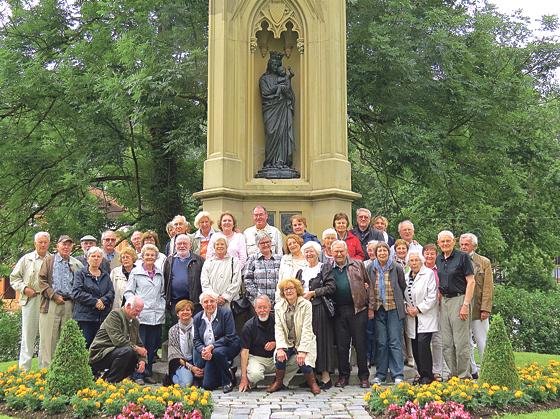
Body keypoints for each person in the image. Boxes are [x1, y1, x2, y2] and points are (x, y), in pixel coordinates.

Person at [331, 240, 374, 388]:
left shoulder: (358, 264)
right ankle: (343, 376)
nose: (339, 254)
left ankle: (364, 376)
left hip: (358, 309)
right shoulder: (329, 268)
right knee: (342, 346)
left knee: (360, 344)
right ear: (331, 253)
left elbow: (370, 287)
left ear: (346, 251)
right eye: (336, 251)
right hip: (338, 311)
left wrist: (371, 308)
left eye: (341, 251)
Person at [266, 278, 320, 394]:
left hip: (302, 340)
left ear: (297, 290)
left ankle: (312, 383)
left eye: (291, 288)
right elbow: (279, 328)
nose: (289, 291)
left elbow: (307, 329)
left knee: (303, 360)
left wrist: (303, 350)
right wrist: (280, 347)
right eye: (286, 289)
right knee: (280, 357)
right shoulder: (278, 307)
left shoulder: (306, 305)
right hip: (287, 341)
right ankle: (278, 382)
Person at [38, 235, 84, 368]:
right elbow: (42, 281)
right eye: (63, 244)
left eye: (69, 245)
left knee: (66, 338)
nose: (66, 247)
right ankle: (47, 370)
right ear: (57, 246)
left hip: (69, 304)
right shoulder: (49, 261)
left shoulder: (75, 263)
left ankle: (63, 369)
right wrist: (53, 295)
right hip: (52, 303)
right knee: (49, 338)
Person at [124, 243, 166, 384]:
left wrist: (162, 305)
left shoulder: (160, 272)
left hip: (156, 315)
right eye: (147, 254)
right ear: (142, 256)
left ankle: (148, 372)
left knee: (152, 346)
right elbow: (128, 292)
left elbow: (162, 293)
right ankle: (138, 375)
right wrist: (134, 305)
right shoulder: (135, 273)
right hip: (140, 315)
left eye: (152, 255)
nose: (149, 257)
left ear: (156, 257)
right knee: (140, 345)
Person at [436, 230, 475, 379]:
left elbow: (471, 282)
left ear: (453, 242)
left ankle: (464, 376)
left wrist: (465, 305)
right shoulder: (439, 259)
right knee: (446, 343)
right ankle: (453, 375)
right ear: (438, 243)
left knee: (461, 343)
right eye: (442, 241)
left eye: (448, 241)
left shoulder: (463, 257)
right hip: (444, 301)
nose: (445, 244)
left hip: (459, 300)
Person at [10, 231, 51, 370]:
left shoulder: (53, 259)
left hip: (48, 300)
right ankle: (24, 371)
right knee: (28, 335)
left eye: (45, 242)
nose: (43, 245)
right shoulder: (26, 259)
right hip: (30, 299)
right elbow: (14, 278)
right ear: (35, 243)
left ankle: (44, 370)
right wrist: (24, 288)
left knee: (46, 336)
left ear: (49, 243)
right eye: (40, 242)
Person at [300, 241, 336, 389]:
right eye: (306, 252)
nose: (309, 254)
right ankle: (311, 377)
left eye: (311, 251)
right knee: (308, 341)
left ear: (317, 252)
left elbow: (331, 287)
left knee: (322, 341)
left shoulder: (324, 268)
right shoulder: (301, 271)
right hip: (305, 310)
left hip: (319, 308)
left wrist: (314, 293)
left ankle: (326, 377)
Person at [370, 241, 407, 385]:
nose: (382, 253)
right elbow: (368, 287)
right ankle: (381, 374)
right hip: (378, 309)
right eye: (379, 251)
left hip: (393, 309)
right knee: (381, 342)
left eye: (384, 251)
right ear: (375, 253)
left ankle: (398, 374)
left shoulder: (396, 267)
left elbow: (402, 286)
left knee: (395, 342)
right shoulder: (370, 268)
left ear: (389, 252)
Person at [89, 296, 147, 383]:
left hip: (116, 352)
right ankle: (110, 382)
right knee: (128, 351)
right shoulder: (115, 315)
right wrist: (137, 349)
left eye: (140, 311)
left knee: (133, 357)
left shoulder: (135, 322)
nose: (138, 314)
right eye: (137, 311)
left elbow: (139, 344)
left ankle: (108, 380)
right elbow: (118, 340)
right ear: (128, 306)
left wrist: (142, 360)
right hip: (100, 354)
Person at [257, 51, 297, 177]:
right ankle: (270, 161)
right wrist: (279, 87)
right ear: (269, 64)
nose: (275, 66)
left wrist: (286, 90)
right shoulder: (264, 79)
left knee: (283, 134)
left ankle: (282, 161)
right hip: (271, 109)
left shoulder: (283, 77)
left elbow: (290, 95)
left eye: (277, 64)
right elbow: (265, 92)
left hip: (283, 109)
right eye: (273, 64)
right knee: (271, 132)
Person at [460, 233, 493, 379]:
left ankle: (487, 369)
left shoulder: (484, 262)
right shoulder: (457, 260)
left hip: (478, 308)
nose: (463, 247)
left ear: (474, 245)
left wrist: (486, 308)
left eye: (466, 244)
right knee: (465, 342)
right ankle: (473, 371)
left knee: (482, 340)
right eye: (461, 245)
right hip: (462, 308)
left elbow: (488, 287)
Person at [193, 291, 241, 392]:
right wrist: (203, 350)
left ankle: (227, 381)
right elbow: (196, 340)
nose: (209, 304)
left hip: (229, 345)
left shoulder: (225, 313)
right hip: (209, 351)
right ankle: (228, 370)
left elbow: (230, 336)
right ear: (201, 305)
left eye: (212, 301)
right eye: (206, 302)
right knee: (208, 385)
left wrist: (211, 347)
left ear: (216, 302)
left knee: (217, 352)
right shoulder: (197, 318)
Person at [404, 251, 438, 384]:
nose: (414, 263)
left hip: (425, 315)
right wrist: (407, 307)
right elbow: (403, 295)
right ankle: (420, 374)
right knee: (415, 346)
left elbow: (432, 296)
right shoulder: (407, 276)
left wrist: (418, 309)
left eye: (416, 260)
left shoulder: (428, 274)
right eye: (411, 261)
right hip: (412, 317)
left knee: (423, 345)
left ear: (421, 261)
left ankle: (428, 375)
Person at [72, 246, 115, 348]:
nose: (96, 259)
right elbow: (77, 292)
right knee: (85, 346)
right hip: (85, 318)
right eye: (93, 256)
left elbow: (111, 292)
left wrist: (102, 301)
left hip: (101, 317)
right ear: (87, 258)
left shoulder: (105, 275)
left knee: (99, 347)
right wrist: (95, 302)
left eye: (98, 257)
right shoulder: (80, 273)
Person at [238, 295, 277, 392]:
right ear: (255, 309)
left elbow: (287, 339)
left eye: (265, 307)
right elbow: (244, 352)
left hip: (275, 358)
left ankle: (281, 382)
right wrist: (243, 378)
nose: (262, 310)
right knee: (255, 375)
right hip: (257, 358)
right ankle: (253, 381)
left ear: (270, 307)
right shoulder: (248, 326)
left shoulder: (277, 321)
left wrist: (275, 343)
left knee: (295, 360)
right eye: (259, 308)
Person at [163, 234, 204, 321]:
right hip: (175, 303)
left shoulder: (199, 260)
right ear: (175, 246)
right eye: (179, 244)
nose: (182, 246)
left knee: (194, 330)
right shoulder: (169, 261)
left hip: (194, 303)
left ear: (190, 245)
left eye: (185, 243)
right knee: (177, 329)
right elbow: (166, 280)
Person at [422, 243, 447, 381]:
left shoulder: (441, 268)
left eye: (432, 253)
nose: (430, 256)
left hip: (438, 306)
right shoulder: (419, 269)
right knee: (422, 341)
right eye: (427, 253)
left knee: (437, 339)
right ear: (423, 254)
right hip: (424, 308)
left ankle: (437, 370)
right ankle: (423, 369)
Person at [167, 299, 203, 387]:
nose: (185, 312)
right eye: (182, 310)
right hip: (182, 362)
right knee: (186, 384)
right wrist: (191, 368)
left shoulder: (199, 326)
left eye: (188, 310)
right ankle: (172, 378)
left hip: (197, 361)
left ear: (191, 312)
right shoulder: (173, 330)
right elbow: (174, 355)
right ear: (177, 314)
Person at [200, 236, 242, 310]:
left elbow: (237, 281)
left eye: (222, 244)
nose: (219, 246)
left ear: (227, 246)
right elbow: (204, 282)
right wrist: (215, 297)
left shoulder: (234, 261)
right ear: (214, 246)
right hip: (212, 302)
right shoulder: (208, 262)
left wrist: (225, 297)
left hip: (230, 302)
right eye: (217, 244)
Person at [244, 232, 282, 305]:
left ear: (271, 242)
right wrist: (259, 297)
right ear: (258, 245)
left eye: (267, 242)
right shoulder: (252, 259)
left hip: (278, 301)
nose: (265, 245)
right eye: (262, 243)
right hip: (258, 302)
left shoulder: (280, 259)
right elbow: (247, 280)